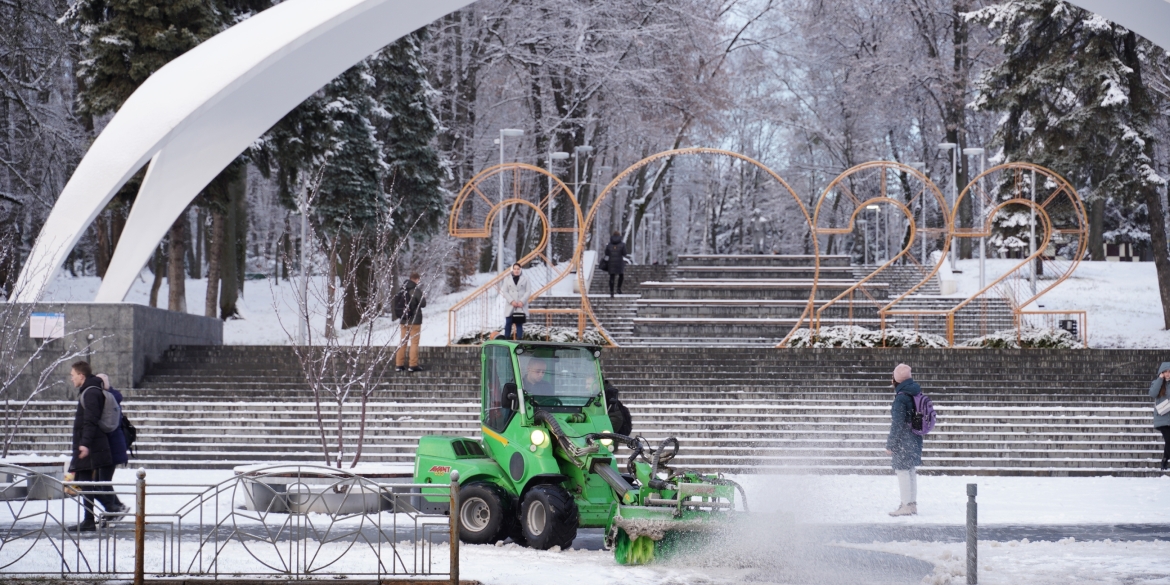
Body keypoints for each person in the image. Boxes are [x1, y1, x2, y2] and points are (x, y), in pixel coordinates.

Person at [67, 361, 126, 532]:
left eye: (73, 375)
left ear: (81, 375)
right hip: (89, 444)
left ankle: (113, 508)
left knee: (85, 482)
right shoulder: (90, 391)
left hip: (92, 446)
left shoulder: (91, 392)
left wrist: (84, 444)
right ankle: (89, 520)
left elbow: (91, 421)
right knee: (83, 482)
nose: (71, 379)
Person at [885, 363, 923, 517]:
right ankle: (912, 504)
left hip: (904, 439)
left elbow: (897, 423)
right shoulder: (915, 392)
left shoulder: (901, 398)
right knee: (910, 470)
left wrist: (891, 444)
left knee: (902, 471)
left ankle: (906, 505)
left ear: (896, 379)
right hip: (915, 436)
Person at [96, 374, 129, 514]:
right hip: (112, 447)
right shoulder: (112, 398)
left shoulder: (108, 401)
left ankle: (116, 508)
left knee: (103, 481)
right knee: (101, 480)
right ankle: (116, 507)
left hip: (110, 448)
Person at [396, 272, 427, 373]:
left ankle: (399, 365)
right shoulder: (416, 290)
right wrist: (424, 297)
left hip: (403, 320)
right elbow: (423, 304)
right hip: (414, 321)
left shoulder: (402, 290)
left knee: (403, 342)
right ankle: (413, 365)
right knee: (414, 343)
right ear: (417, 279)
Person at [498, 263, 530, 340]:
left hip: (520, 305)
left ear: (520, 270)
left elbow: (528, 291)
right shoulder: (507, 279)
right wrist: (511, 301)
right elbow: (505, 291)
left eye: (518, 269)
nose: (516, 271)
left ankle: (519, 341)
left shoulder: (525, 279)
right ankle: (506, 340)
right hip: (510, 305)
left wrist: (522, 301)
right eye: (515, 269)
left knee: (519, 324)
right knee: (508, 323)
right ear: (512, 269)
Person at [1150, 362, 1170, 470]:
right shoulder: (1156, 383)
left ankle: (1164, 460)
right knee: (1169, 440)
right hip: (1162, 417)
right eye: (1165, 372)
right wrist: (1160, 379)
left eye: (1169, 372)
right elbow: (1152, 394)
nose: (1167, 374)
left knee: (1168, 441)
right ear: (1161, 372)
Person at [604, 231, 627, 298]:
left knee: (612, 277)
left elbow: (606, 253)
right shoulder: (622, 244)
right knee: (621, 276)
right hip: (619, 262)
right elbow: (624, 253)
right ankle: (618, 289)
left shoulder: (609, 244)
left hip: (611, 262)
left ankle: (611, 291)